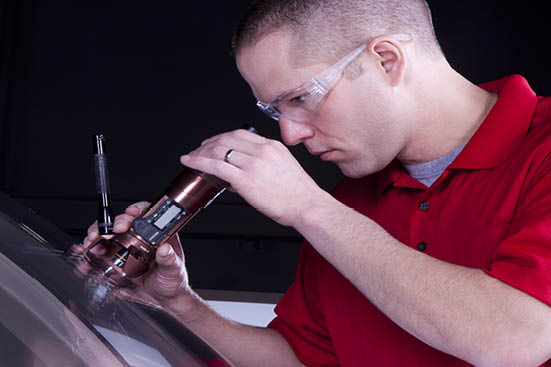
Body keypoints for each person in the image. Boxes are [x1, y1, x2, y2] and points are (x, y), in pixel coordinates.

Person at [84, 0, 551, 365]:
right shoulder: (354, 199)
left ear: (386, 60)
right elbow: (301, 358)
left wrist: (310, 210)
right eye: (276, 112)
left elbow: (514, 339)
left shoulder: (541, 152)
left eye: (302, 98)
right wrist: (179, 305)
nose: (290, 134)